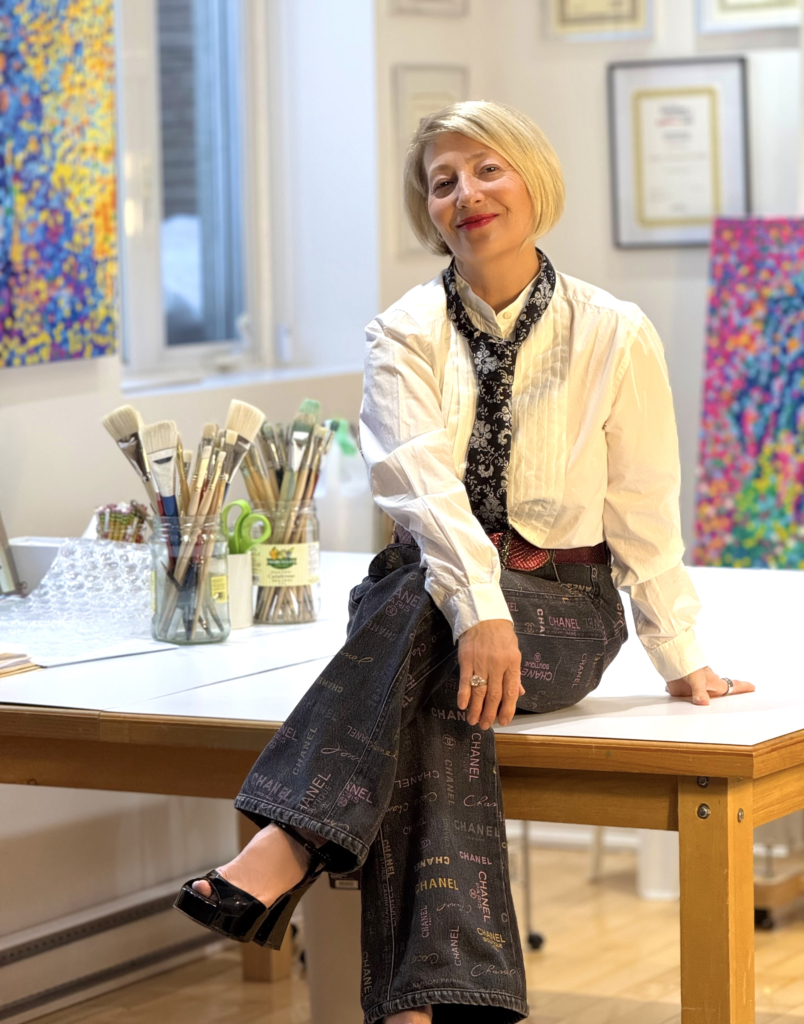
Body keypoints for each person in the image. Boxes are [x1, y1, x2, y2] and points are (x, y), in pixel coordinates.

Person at [174, 101, 754, 1024]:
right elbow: (419, 488)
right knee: (441, 680)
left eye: (487, 169)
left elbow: (643, 505)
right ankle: (431, 1006)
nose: (466, 194)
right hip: (436, 615)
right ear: (429, 210)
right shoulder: (403, 332)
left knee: (417, 618)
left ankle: (289, 839)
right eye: (442, 182)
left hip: (562, 611)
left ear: (532, 180)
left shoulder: (614, 331)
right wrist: (478, 611)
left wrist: (679, 654)